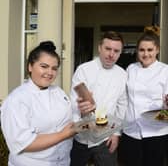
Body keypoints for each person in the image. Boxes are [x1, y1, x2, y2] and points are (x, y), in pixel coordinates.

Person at [0, 41, 76, 166]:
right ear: (30, 66)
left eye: (54, 68)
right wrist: (63, 135)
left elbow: (68, 121)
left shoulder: (58, 92)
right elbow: (24, 143)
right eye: (44, 66)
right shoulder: (17, 100)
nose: (50, 73)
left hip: (62, 162)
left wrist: (84, 117)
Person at [70, 31, 127, 166]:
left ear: (120, 53)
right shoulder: (84, 70)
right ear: (99, 48)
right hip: (82, 138)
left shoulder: (122, 74)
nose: (111, 54)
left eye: (116, 51)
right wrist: (82, 112)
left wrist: (116, 134)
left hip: (106, 138)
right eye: (108, 49)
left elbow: (122, 105)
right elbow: (74, 103)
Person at [118, 30, 168, 166]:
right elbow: (124, 98)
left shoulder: (165, 71)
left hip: (156, 133)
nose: (146, 54)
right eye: (142, 50)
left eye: (150, 50)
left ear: (157, 50)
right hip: (131, 131)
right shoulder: (131, 69)